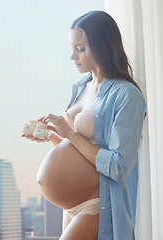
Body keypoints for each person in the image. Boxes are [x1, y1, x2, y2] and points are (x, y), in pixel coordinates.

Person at [22, 10, 146, 240]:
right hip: (71, 206)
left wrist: (69, 133)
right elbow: (80, 150)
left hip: (99, 202)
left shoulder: (126, 95)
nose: (72, 56)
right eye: (72, 48)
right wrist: (54, 139)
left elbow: (119, 166)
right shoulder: (81, 87)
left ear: (103, 47)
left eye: (80, 49)